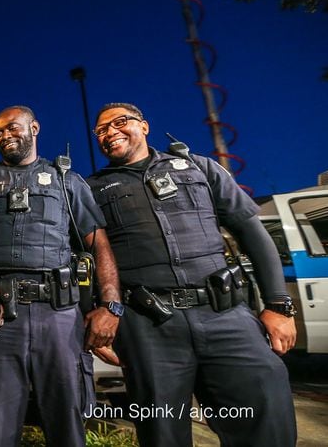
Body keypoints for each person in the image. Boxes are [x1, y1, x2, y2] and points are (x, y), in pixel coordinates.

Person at [85, 102, 297, 447]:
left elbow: (252, 232)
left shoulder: (199, 167)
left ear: (145, 126)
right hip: (149, 328)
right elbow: (88, 259)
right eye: (101, 130)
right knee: (161, 431)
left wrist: (279, 305)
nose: (110, 133)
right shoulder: (91, 189)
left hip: (225, 315)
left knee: (267, 415)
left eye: (120, 123)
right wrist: (98, 319)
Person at [0, 105, 122, 446]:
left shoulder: (67, 181)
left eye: (12, 128)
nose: (5, 136)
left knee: (67, 425)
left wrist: (110, 305)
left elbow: (98, 244)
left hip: (59, 317)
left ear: (35, 129)